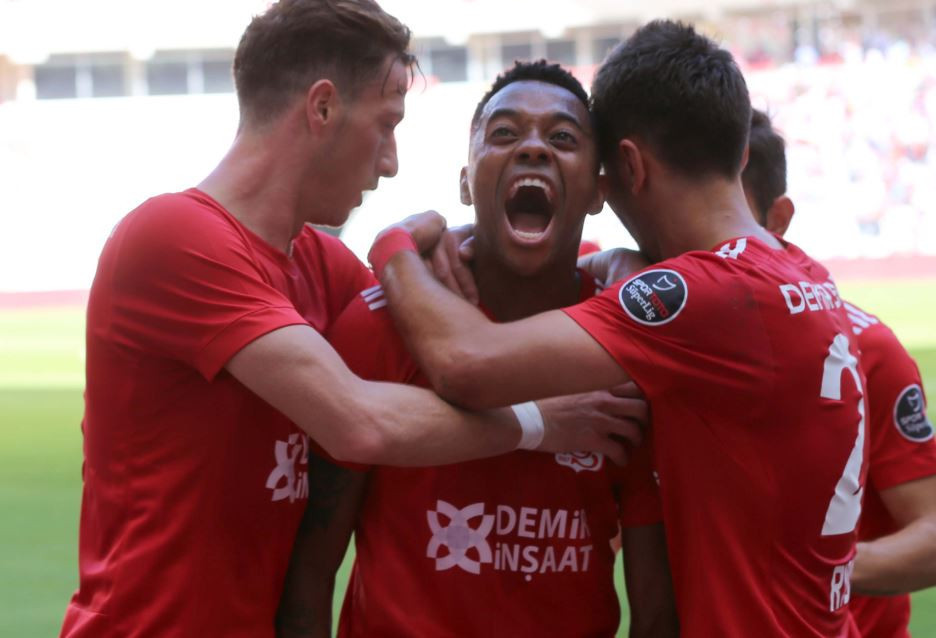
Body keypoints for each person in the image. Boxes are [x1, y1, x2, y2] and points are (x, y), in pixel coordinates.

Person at [59, 0, 647, 638]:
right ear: (322, 108)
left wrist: (615, 265)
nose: (390, 163)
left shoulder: (321, 268)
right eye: (386, 125)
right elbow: (357, 423)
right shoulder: (174, 237)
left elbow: (428, 312)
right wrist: (542, 421)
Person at [364, 20, 869, 636]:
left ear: (625, 168)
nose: (535, 151)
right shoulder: (805, 275)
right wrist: (608, 262)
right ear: (740, 154)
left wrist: (393, 245)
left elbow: (465, 362)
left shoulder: (698, 296)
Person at [276, 61, 678, 638]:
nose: (533, 148)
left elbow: (657, 610)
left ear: (598, 192)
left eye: (563, 138)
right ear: (466, 184)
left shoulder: (623, 344)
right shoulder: (381, 324)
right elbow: (309, 572)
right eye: (505, 133)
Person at [742, 108, 936, 638]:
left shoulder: (866, 350)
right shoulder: (660, 346)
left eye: (728, 215)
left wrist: (817, 570)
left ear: (777, 219)